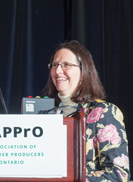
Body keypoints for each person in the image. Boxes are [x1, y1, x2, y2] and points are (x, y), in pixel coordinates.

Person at [41, 40, 130, 181]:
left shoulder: (104, 112)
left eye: (66, 65)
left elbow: (119, 174)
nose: (58, 71)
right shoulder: (46, 113)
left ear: (84, 72)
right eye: (55, 65)